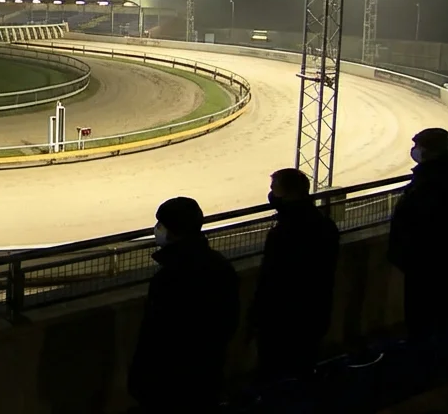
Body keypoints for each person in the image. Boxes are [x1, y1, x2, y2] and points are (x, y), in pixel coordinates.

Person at [129, 197, 240, 413]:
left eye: (161, 225)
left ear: (172, 231)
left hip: (171, 383)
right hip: (207, 374)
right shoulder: (220, 265)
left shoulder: (170, 277)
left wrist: (142, 382)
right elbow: (228, 321)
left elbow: (156, 336)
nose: (157, 229)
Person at [249, 168, 341, 381]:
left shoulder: (284, 232)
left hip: (282, 316)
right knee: (303, 366)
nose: (271, 193)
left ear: (287, 193)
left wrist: (257, 314)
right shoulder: (324, 225)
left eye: (274, 188)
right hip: (315, 309)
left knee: (276, 370)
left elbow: (272, 278)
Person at [387, 127, 448, 339]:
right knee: (438, 307)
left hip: (425, 261)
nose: (414, 151)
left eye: (418, 147)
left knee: (423, 314)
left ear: (431, 151)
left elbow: (422, 220)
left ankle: (428, 355)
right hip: (443, 259)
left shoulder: (434, 181)